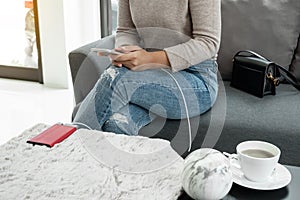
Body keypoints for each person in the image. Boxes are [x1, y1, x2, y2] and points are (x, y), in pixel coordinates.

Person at [74, 0, 221, 136]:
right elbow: (126, 30)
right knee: (116, 124)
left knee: (117, 78)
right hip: (147, 74)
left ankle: (69, 147)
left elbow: (208, 42)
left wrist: (150, 58)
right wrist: (126, 52)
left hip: (196, 79)